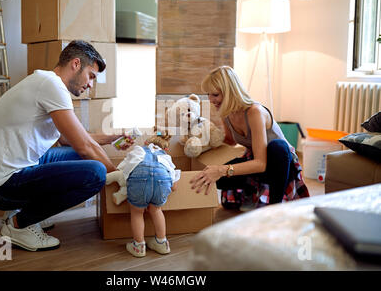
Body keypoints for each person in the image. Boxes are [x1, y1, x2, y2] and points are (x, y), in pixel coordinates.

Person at [0, 40, 130, 251]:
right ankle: (20, 224)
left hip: (9, 174)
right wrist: (120, 177)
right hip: (2, 186)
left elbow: (69, 139)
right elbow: (84, 145)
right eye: (91, 75)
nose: (91, 84)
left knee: (81, 156)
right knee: (96, 173)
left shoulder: (45, 82)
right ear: (75, 64)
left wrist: (109, 138)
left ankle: (23, 211)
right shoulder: (52, 86)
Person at [190, 66, 309, 209]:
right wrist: (202, 137)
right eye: (208, 94)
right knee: (217, 180)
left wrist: (222, 169)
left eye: (215, 95)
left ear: (230, 92)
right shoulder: (225, 111)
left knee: (277, 147)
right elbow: (230, 140)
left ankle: (275, 207)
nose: (210, 99)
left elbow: (261, 163)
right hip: (255, 160)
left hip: (279, 164)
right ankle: (254, 190)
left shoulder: (254, 112)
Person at [105, 133, 180, 257]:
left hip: (139, 179)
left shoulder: (139, 150)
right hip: (162, 180)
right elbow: (174, 186)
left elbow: (123, 169)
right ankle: (162, 242)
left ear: (145, 143)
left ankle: (139, 246)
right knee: (156, 210)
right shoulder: (166, 158)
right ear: (166, 149)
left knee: (137, 212)